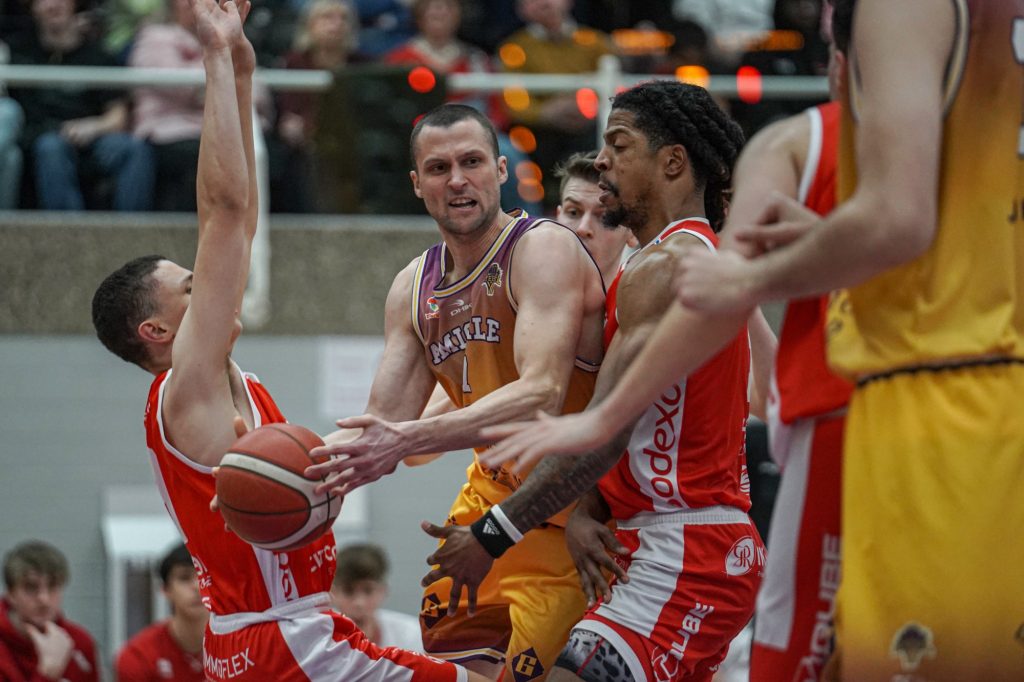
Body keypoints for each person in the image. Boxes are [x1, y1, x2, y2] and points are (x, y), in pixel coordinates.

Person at [493, 0, 1024, 678]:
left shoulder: (797, 147)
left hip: (874, 415)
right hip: (987, 394)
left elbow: (894, 222)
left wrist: (750, 281)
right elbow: (758, 371)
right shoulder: (980, 113)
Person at [91, 1, 483, 679]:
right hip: (288, 641)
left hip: (271, 640)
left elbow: (240, 227)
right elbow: (226, 213)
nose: (207, 289)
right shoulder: (186, 386)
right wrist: (215, 58)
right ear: (155, 332)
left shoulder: (238, 388)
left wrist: (242, 68)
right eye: (189, 289)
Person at [419, 81, 765, 681]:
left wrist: (491, 536)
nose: (602, 160)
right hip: (649, 541)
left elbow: (601, 433)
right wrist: (589, 509)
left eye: (619, 145)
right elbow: (636, 428)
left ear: (673, 161)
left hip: (685, 547)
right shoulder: (658, 263)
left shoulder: (666, 267)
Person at [305, 103, 606, 679]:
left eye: (471, 162)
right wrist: (294, 479)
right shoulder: (411, 287)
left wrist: (407, 436)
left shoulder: (541, 248)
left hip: (575, 512)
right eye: (439, 168)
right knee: (454, 667)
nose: (458, 179)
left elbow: (541, 392)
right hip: (488, 504)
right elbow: (383, 430)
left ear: (500, 170)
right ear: (418, 184)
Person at [6, 0, 153, 210]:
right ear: (32, 7)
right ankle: (70, 237)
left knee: (135, 149)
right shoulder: (16, 51)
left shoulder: (99, 56)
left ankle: (134, 235)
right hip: (39, 139)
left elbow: (118, 116)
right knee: (50, 147)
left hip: (90, 138)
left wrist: (92, 127)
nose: (53, 5)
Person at [0, 541, 99, 682]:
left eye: (52, 586)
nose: (44, 599)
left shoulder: (81, 642)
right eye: (31, 587)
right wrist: (48, 674)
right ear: (10, 594)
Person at [115, 544, 207, 681]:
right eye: (184, 578)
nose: (197, 586)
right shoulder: (138, 655)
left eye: (204, 576)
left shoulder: (241, 647)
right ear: (165, 589)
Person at [552, 151, 636, 288]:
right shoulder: (514, 299)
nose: (583, 229)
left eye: (604, 216)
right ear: (557, 218)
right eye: (573, 212)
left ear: (633, 232)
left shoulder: (651, 306)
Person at [330, 544, 422, 651]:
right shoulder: (318, 640)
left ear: (383, 591)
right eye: (348, 591)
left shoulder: (411, 636)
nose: (359, 603)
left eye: (368, 590)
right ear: (333, 593)